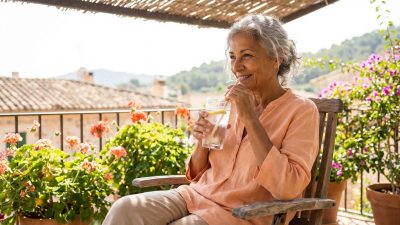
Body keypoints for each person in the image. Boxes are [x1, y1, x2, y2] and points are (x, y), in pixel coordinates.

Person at [102, 14, 319, 225]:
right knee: (126, 208)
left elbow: (288, 187)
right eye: (233, 57)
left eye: (247, 56)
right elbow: (196, 174)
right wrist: (202, 143)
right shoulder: (228, 104)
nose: (236, 67)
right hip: (196, 196)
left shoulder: (301, 111)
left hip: (244, 213)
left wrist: (251, 120)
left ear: (276, 59)